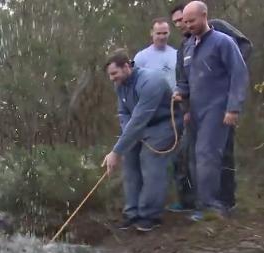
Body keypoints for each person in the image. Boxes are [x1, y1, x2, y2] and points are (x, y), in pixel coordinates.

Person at [170, 2, 253, 214]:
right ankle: (203, 203)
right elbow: (185, 80)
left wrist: (233, 108)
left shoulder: (223, 42)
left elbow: (239, 74)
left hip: (217, 109)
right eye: (185, 22)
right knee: (193, 157)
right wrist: (181, 94)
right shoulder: (187, 47)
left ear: (205, 16)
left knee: (208, 155)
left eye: (192, 20)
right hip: (195, 111)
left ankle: (212, 207)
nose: (188, 25)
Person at [102, 49, 177, 232]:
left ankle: (149, 215)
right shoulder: (120, 84)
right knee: (130, 165)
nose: (112, 78)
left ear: (127, 66)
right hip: (138, 127)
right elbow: (124, 113)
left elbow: (139, 119)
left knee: (151, 165)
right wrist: (124, 145)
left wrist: (116, 151)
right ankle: (132, 213)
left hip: (163, 125)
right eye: (110, 75)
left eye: (114, 73)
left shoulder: (151, 81)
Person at [134, 17, 194, 213]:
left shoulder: (177, 54)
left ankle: (184, 200)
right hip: (150, 114)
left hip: (174, 109)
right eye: (158, 33)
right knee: (149, 160)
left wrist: (185, 107)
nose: (161, 36)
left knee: (180, 158)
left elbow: (184, 81)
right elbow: (134, 85)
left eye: (165, 33)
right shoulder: (141, 57)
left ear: (169, 33)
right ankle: (148, 201)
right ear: (151, 33)